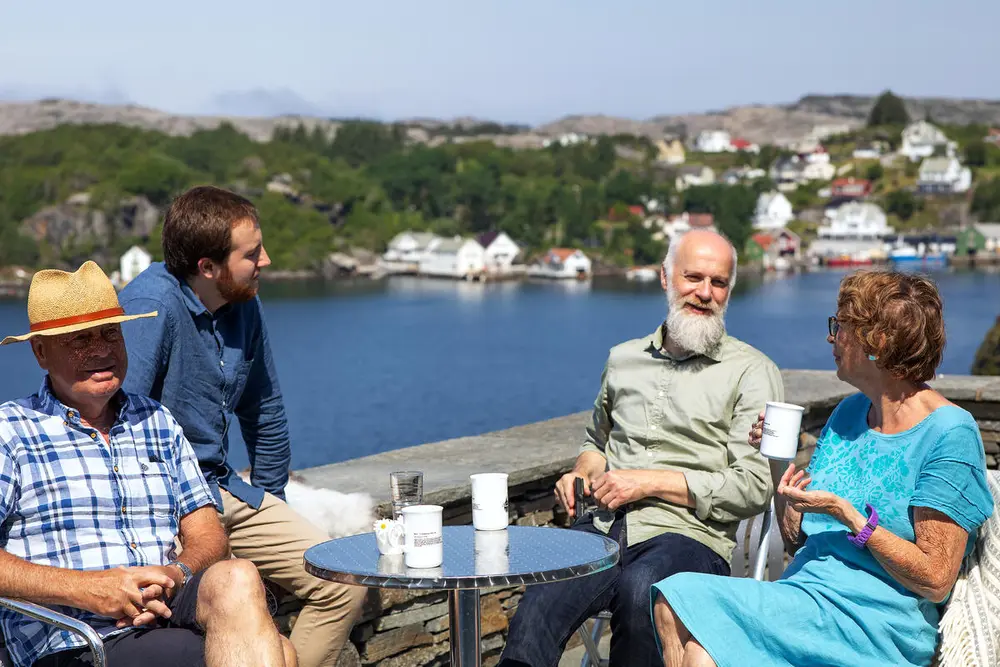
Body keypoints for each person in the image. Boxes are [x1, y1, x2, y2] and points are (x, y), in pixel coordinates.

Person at [652, 270, 995, 667]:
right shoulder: (849, 413)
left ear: (877, 342)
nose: (831, 337)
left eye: (841, 326)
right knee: (690, 633)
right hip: (805, 594)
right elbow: (796, 537)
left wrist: (851, 517)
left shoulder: (948, 433)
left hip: (875, 621)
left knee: (680, 607)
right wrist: (778, 459)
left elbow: (935, 579)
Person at [498, 229, 783, 667]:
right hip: (603, 528)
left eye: (719, 282)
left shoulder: (751, 371)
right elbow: (595, 443)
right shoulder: (623, 359)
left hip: (691, 537)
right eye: (693, 277)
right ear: (665, 278)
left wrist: (646, 483)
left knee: (643, 588)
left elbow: (752, 487)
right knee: (541, 595)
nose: (705, 293)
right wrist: (580, 473)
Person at [0, 261, 294, 667]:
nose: (101, 349)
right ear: (40, 352)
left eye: (110, 333)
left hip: (164, 607)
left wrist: (176, 573)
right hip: (76, 634)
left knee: (238, 575)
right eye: (79, 340)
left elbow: (208, 531)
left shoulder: (155, 419)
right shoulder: (10, 431)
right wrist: (89, 589)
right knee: (278, 652)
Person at [118, 186, 366, 667]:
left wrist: (273, 498)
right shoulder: (149, 308)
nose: (266, 261)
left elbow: (264, 408)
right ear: (208, 267)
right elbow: (118, 424)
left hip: (224, 490)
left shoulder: (244, 302)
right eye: (252, 254)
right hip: (168, 507)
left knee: (342, 578)